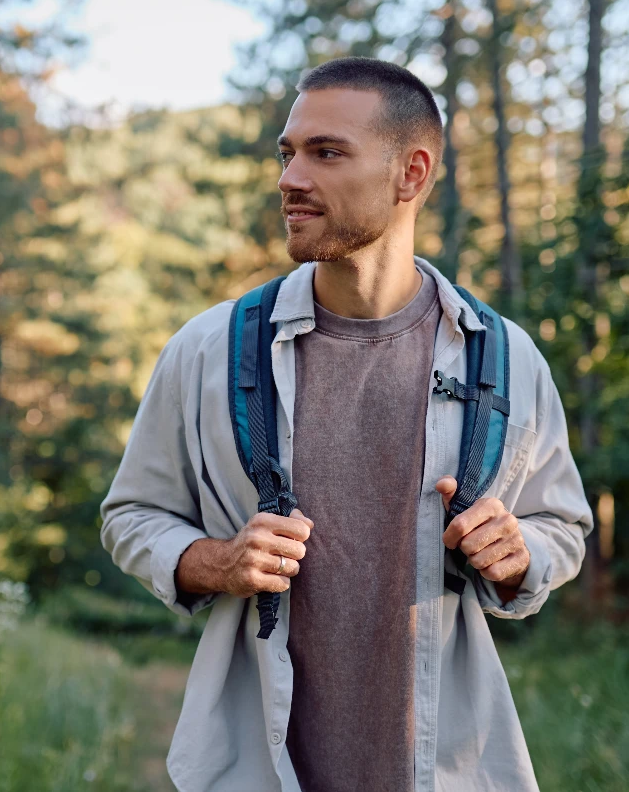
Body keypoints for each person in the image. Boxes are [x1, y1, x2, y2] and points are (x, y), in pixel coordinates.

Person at [100, 57, 593, 792]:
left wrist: (521, 555)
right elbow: (131, 514)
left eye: (326, 153)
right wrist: (216, 561)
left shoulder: (508, 358)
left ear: (411, 174)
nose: (290, 178)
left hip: (450, 767)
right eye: (288, 152)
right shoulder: (207, 350)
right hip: (252, 770)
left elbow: (563, 525)